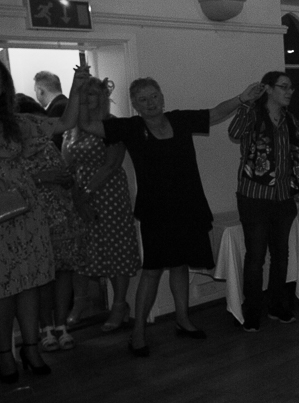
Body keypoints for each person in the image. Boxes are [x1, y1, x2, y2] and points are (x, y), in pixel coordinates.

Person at [80, 76, 264, 356]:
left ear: (162, 97)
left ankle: (183, 320)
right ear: (135, 105)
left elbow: (215, 113)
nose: (150, 103)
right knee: (152, 271)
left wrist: (242, 97)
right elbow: (86, 124)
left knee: (180, 266)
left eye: (154, 96)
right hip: (155, 212)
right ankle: (138, 333)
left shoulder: (179, 120)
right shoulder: (130, 127)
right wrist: (79, 89)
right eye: (143, 99)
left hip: (188, 207)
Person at [1, 62, 81, 383]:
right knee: (4, 289)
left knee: (30, 283)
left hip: (28, 212)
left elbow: (66, 122)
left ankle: (31, 348)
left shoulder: (20, 123)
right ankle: (5, 355)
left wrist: (78, 83)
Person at [228, 71, 299, 330]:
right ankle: (252, 312)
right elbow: (234, 132)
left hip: (283, 198)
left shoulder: (290, 119)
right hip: (254, 197)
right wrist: (245, 102)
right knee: (255, 257)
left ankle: (278, 306)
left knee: (281, 256)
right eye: (283, 87)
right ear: (268, 89)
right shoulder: (253, 115)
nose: (290, 91)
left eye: (291, 87)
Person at [63, 76, 141, 332]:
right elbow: (67, 166)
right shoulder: (72, 128)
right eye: (83, 95)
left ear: (103, 98)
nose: (87, 99)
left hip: (109, 195)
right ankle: (80, 302)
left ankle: (119, 305)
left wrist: (86, 193)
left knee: (115, 250)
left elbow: (111, 165)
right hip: (79, 194)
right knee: (81, 250)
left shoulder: (112, 125)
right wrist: (77, 197)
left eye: (92, 94)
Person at [14, 95, 86, 352]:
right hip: (34, 219)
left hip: (63, 216)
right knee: (42, 277)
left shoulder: (48, 146)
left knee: (64, 273)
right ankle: (45, 329)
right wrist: (43, 178)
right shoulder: (13, 150)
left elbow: (64, 174)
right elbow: (13, 185)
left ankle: (61, 326)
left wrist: (65, 179)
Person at [34, 71, 69, 149]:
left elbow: (55, 143)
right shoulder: (69, 104)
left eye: (35, 91)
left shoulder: (57, 109)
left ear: (40, 91)